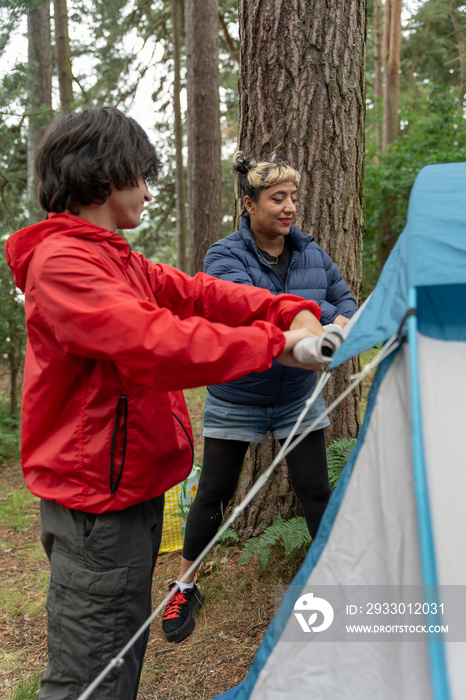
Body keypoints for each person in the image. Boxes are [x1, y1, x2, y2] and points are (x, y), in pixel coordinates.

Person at [4, 110, 325, 700]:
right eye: (142, 177)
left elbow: (197, 292)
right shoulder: (65, 263)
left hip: (128, 493)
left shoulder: (115, 258)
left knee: (120, 656)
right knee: (91, 677)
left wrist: (283, 310)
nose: (150, 192)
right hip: (96, 508)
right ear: (105, 174)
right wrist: (278, 344)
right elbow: (153, 343)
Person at [162, 152, 357, 644]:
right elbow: (253, 315)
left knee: (314, 490)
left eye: (293, 197)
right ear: (248, 204)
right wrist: (323, 315)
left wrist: (336, 317)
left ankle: (334, 580)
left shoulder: (312, 252)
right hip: (238, 394)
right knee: (214, 493)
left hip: (296, 395)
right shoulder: (224, 256)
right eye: (277, 199)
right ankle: (184, 584)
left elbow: (345, 301)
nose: (290, 207)